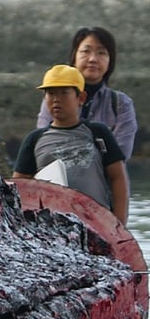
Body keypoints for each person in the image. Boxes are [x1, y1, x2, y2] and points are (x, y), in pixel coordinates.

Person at [14, 64, 128, 225]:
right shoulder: (34, 140)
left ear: (80, 98)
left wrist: (119, 224)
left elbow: (118, 178)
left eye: (64, 93)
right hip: (52, 230)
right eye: (51, 93)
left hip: (98, 225)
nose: (56, 99)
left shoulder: (98, 133)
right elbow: (18, 189)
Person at [36, 26, 137, 161]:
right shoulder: (55, 98)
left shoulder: (121, 104)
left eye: (101, 53)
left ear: (110, 61)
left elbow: (121, 154)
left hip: (104, 182)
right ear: (74, 57)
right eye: (86, 51)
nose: (93, 59)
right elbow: (44, 144)